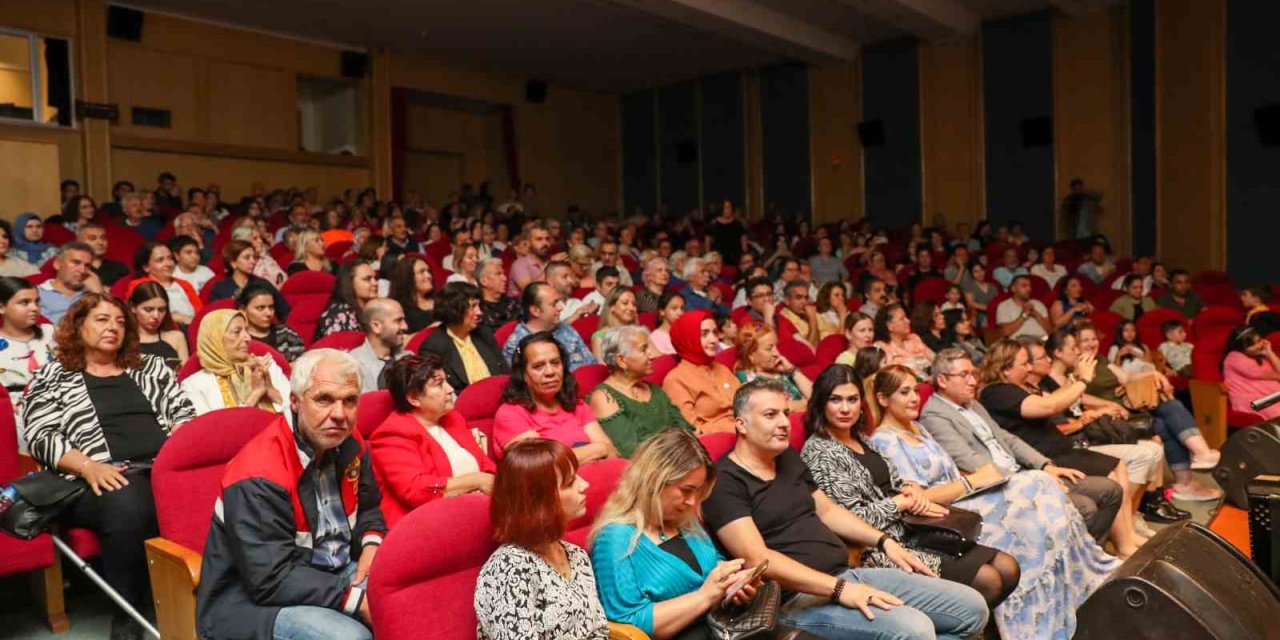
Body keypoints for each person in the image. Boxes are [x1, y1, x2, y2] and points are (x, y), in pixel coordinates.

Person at [702, 378, 989, 640]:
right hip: (794, 598)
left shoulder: (785, 456)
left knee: (973, 608)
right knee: (916, 630)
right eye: (770, 415)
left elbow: (828, 512)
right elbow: (758, 559)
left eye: (786, 413)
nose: (784, 423)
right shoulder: (724, 483)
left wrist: (883, 541)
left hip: (845, 573)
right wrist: (839, 589)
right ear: (741, 424)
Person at [875, 363, 1120, 639]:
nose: (913, 398)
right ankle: (1036, 617)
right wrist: (972, 481)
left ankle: (1075, 587)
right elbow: (917, 499)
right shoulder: (885, 441)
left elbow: (989, 450)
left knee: (1039, 485)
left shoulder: (917, 428)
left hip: (964, 499)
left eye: (915, 390)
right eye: (904, 392)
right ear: (883, 399)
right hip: (943, 516)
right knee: (1033, 486)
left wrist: (976, 482)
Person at [24, 293, 197, 639]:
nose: (113, 328)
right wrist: (89, 466)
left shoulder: (151, 367)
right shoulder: (53, 374)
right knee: (127, 500)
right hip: (89, 480)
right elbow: (40, 434)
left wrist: (179, 444)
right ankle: (128, 615)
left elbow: (184, 414)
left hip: (161, 470)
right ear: (78, 326)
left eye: (119, 321)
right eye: (102, 320)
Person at [196, 349, 385, 640]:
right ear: (295, 402)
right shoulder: (259, 473)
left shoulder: (350, 443)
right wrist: (355, 600)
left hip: (333, 570)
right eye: (324, 399)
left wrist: (371, 545)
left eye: (350, 401)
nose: (339, 415)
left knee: (406, 601)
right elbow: (270, 578)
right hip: (252, 598)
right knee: (351, 638)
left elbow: (369, 507)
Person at [800, 366, 1018, 613]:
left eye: (852, 399)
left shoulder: (860, 438)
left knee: (1008, 567)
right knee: (989, 580)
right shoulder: (819, 452)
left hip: (912, 529)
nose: (845, 408)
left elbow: (893, 481)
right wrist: (900, 503)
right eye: (835, 400)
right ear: (821, 403)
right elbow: (849, 520)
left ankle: (964, 623)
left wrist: (910, 490)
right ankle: (960, 623)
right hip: (877, 548)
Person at [978, 340, 1152, 557]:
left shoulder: (1012, 387)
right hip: (1046, 456)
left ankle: (1126, 537)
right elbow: (1049, 406)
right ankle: (1123, 545)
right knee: (1111, 476)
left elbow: (1055, 398)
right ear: (1005, 368)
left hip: (1060, 449)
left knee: (1119, 467)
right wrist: (1083, 379)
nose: (1029, 368)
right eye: (1023, 364)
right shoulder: (997, 392)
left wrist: (1075, 379)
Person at [590, 428, 766, 639]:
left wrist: (732, 583)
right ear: (654, 480)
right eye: (686, 490)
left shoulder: (683, 519)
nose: (692, 501)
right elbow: (629, 624)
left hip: (726, 628)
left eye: (697, 491)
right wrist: (705, 596)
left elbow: (714, 564)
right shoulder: (614, 538)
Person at [1041, 332, 1185, 530]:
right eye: (1073, 347)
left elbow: (1081, 400)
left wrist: (1105, 406)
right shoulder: (1049, 383)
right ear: (1058, 352)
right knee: (1145, 453)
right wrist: (1088, 414)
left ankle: (1137, 512)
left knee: (1155, 444)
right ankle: (1126, 523)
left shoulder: (1069, 376)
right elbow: (1059, 414)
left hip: (1088, 433)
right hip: (1077, 442)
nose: (1078, 351)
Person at [474, 439, 609, 640]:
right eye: (570, 482)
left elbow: (598, 630)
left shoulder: (576, 555)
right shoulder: (509, 568)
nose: (584, 485)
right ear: (538, 501)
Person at [1072, 321, 1222, 500]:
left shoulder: (1101, 360)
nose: (1091, 344)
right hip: (1109, 416)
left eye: (1094, 339)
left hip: (1128, 407)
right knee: (1166, 417)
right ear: (1076, 345)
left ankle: (1192, 471)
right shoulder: (1075, 366)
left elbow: (1127, 377)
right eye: (1085, 340)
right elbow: (1077, 395)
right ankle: (1193, 470)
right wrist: (1107, 405)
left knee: (1169, 409)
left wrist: (1154, 374)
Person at [369, 354, 496, 529]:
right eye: (439, 384)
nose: (450, 389)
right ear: (414, 398)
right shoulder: (392, 434)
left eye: (446, 381)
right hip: (427, 525)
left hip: (474, 511)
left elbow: (484, 463)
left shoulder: (452, 418)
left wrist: (485, 485)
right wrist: (476, 481)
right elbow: (415, 490)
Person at [494, 331, 617, 462]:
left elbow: (612, 455)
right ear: (524, 374)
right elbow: (542, 464)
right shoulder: (510, 414)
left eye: (555, 363)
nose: (550, 372)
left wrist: (594, 451)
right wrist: (598, 449)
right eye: (538, 366)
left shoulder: (577, 405)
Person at [588, 325, 692, 459]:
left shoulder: (653, 389)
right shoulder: (604, 397)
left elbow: (684, 428)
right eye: (643, 349)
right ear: (622, 360)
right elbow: (631, 451)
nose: (652, 355)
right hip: (652, 466)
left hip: (682, 457)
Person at [181, 309, 290, 416]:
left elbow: (296, 410)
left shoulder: (266, 365)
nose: (248, 338)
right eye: (237, 332)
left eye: (247, 330)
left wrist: (271, 391)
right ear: (215, 339)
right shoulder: (194, 385)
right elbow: (210, 426)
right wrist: (255, 394)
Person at [419, 283, 508, 392]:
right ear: (455, 309)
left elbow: (504, 372)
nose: (479, 312)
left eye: (479, 306)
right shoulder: (434, 347)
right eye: (473, 306)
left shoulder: (484, 333)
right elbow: (439, 391)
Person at [663, 311, 741, 434]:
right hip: (718, 440)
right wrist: (733, 428)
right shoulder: (676, 379)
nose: (713, 340)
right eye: (704, 334)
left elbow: (744, 402)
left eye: (715, 332)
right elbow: (691, 429)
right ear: (688, 338)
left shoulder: (721, 368)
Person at [0, 277, 55, 434]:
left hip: (56, 402)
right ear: (2, 307)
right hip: (14, 412)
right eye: (24, 302)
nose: (34, 308)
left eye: (36, 302)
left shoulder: (50, 332)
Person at [502, 282, 598, 371]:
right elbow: (519, 380)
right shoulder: (517, 345)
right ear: (536, 311)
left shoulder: (566, 329)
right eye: (554, 304)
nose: (561, 307)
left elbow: (592, 364)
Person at [734, 322, 812, 413]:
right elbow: (781, 409)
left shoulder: (782, 370)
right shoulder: (746, 379)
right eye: (769, 349)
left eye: (776, 347)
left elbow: (817, 396)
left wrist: (792, 370)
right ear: (750, 354)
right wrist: (809, 403)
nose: (777, 353)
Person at [208, 239, 291, 320]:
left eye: (254, 257)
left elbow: (285, 311)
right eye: (247, 257)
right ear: (233, 263)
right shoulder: (220, 289)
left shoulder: (263, 284)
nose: (253, 261)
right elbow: (216, 319)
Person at [131, 242, 200, 325]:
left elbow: (200, 312)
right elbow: (135, 315)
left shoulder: (185, 284)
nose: (168, 264)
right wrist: (176, 318)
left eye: (170, 258)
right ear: (146, 267)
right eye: (160, 260)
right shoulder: (139, 285)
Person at [349, 298, 409, 392]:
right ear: (376, 326)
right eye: (398, 321)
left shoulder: (409, 358)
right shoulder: (353, 365)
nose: (405, 326)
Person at [237, 281, 306, 362]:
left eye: (271, 307)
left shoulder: (285, 332)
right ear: (243, 310)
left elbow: (302, 364)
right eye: (260, 308)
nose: (269, 313)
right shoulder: (237, 337)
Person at [128, 281, 189, 371]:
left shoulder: (176, 337)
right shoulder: (123, 339)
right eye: (148, 309)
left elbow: (186, 375)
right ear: (133, 307)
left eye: (161, 310)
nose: (156, 316)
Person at [1223, 326, 1280, 420]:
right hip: (1250, 400)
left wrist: (1270, 353)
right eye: (1251, 345)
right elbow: (1258, 373)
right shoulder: (1233, 357)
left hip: (1269, 396)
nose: (1258, 346)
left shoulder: (1261, 357)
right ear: (1240, 348)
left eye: (1259, 341)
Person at [315, 262, 378, 341]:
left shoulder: (375, 309)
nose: (375, 283)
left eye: (375, 278)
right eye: (367, 279)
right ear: (350, 283)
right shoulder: (337, 316)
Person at [39, 242, 98, 324]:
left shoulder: (92, 295)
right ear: (57, 264)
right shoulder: (37, 294)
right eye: (76, 263)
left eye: (87, 266)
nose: (82, 270)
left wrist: (98, 292)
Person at [872, 304, 934, 378]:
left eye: (906, 317)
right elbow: (889, 377)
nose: (908, 321)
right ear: (889, 326)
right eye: (902, 319)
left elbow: (934, 359)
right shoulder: (882, 348)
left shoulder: (914, 338)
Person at [386, 256, 436, 333]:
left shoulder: (442, 300)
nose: (429, 276)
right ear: (407, 277)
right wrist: (432, 328)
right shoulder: (399, 310)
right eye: (421, 272)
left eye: (428, 271)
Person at [778, 280, 831, 349]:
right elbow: (808, 350)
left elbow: (831, 334)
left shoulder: (809, 311)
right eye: (798, 297)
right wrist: (813, 320)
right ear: (787, 300)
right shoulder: (784, 319)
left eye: (806, 297)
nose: (804, 302)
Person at [994, 275, 1050, 339]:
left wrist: (1036, 314)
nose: (1029, 289)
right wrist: (1024, 315)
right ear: (1013, 289)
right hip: (1018, 342)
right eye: (1024, 286)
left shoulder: (1039, 304)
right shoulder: (1004, 306)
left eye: (1029, 286)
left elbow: (1050, 331)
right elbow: (1005, 333)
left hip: (1043, 340)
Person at [507, 223, 550, 296]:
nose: (545, 243)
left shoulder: (551, 261)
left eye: (547, 239)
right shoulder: (519, 265)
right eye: (539, 239)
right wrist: (551, 268)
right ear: (528, 243)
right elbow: (529, 291)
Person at [961, 262, 997, 329]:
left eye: (981, 270)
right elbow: (970, 303)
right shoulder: (969, 286)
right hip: (978, 313)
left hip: (993, 312)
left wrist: (993, 309)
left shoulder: (992, 286)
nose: (980, 274)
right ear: (971, 274)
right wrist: (987, 308)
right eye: (976, 272)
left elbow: (996, 301)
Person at [649, 290, 685, 356]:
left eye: (682, 308)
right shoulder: (655, 338)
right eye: (674, 308)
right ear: (662, 311)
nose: (680, 313)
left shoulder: (684, 335)